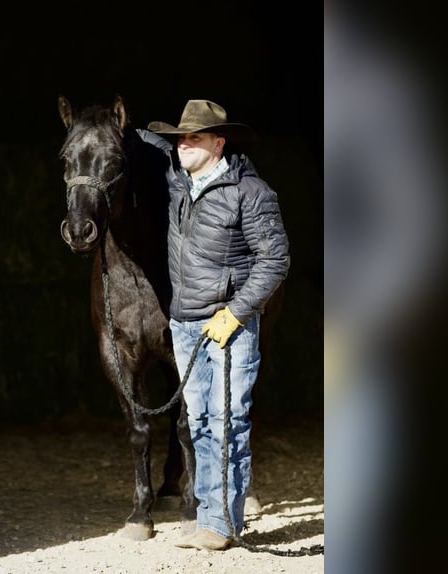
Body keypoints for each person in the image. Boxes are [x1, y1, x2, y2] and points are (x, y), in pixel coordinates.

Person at [140, 100, 291, 550]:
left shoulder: (251, 192)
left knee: (229, 422)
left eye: (194, 137)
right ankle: (208, 514)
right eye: (180, 138)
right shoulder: (178, 181)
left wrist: (237, 312)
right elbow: (139, 141)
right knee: (201, 423)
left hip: (229, 324)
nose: (183, 145)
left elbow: (276, 260)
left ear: (218, 142)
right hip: (185, 323)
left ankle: (224, 524)